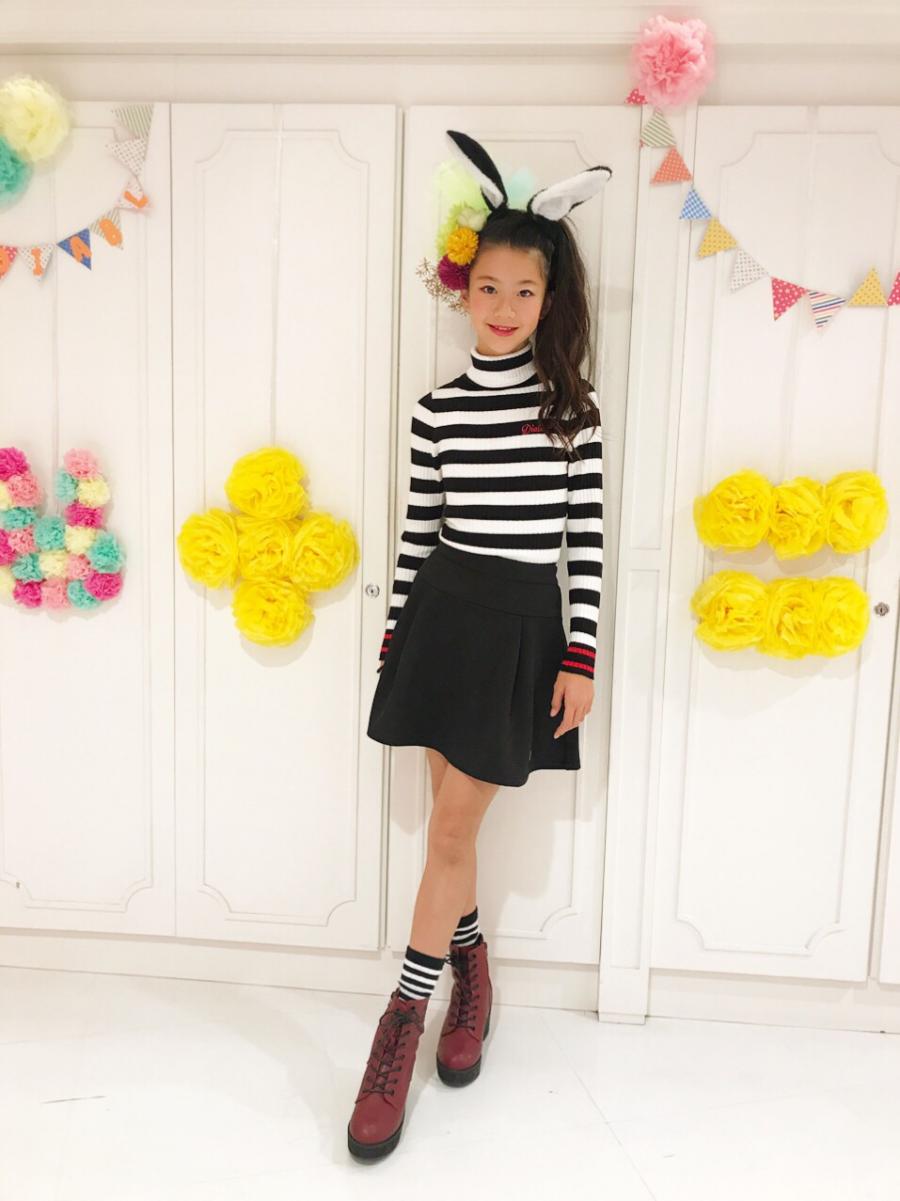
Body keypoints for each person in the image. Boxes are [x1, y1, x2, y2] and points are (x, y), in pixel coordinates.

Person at [348, 129, 611, 1161]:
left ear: (549, 300)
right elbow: (419, 535)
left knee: (451, 831)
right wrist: (394, 642)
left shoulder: (573, 412)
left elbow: (584, 544)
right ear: (463, 290)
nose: (503, 306)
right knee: (445, 833)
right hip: (441, 621)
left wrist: (581, 656)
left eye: (524, 291)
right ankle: (473, 972)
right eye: (488, 287)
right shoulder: (436, 412)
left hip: (521, 632)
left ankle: (400, 1025)